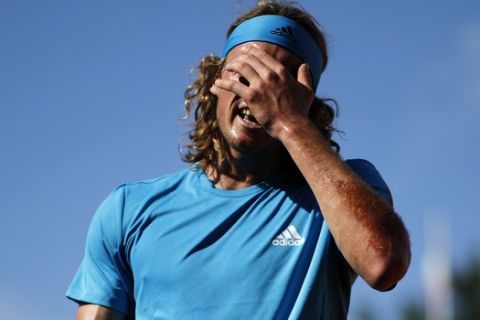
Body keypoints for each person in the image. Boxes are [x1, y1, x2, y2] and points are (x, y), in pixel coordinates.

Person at [66, 1, 411, 319]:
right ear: (216, 80)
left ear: (307, 102)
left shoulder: (346, 190)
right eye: (248, 70)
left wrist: (289, 123)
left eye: (282, 80)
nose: (260, 90)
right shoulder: (129, 208)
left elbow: (383, 263)